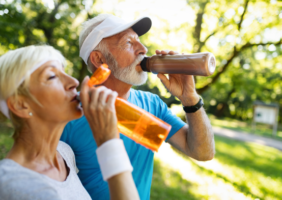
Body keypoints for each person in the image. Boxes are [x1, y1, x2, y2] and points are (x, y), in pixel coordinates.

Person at [60, 13, 215, 200]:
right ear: (100, 59)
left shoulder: (150, 105)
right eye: (128, 43)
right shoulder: (68, 114)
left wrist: (190, 99)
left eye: (139, 41)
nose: (143, 49)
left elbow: (202, 152)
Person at [0, 45, 140, 200]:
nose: (73, 82)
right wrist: (109, 142)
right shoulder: (18, 186)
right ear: (21, 105)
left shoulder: (65, 154)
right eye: (52, 76)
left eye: (64, 72)